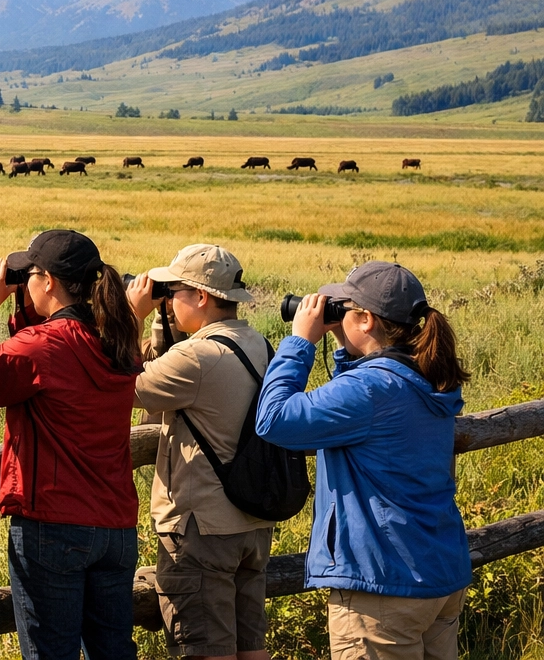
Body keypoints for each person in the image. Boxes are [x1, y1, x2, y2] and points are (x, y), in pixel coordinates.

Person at [256, 261, 472, 660]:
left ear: (367, 319)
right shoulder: (424, 377)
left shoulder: (371, 388)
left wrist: (300, 342)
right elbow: (355, 401)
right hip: (438, 574)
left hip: (382, 585)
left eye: (344, 309)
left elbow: (274, 419)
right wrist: (344, 344)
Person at [0, 229, 142, 660]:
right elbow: (47, 354)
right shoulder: (117, 341)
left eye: (28, 274)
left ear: (47, 281)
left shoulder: (42, 347)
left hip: (54, 523)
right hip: (116, 527)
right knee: (113, 652)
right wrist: (24, 312)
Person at [128, 244, 273, 660]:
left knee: (207, 649)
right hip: (251, 522)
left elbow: (122, 385)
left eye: (174, 291)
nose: (168, 300)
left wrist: (133, 317)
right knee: (251, 647)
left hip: (202, 528)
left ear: (202, 297)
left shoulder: (196, 357)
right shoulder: (259, 344)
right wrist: (165, 326)